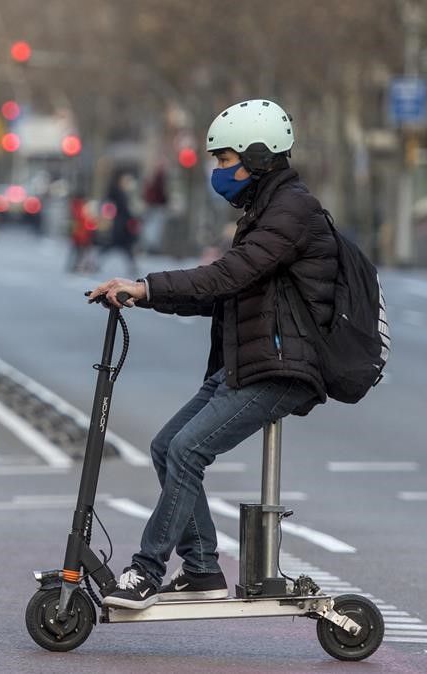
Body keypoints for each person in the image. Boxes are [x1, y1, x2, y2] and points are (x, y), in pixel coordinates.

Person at [90, 99, 338, 609]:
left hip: (278, 368)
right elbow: (224, 296)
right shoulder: (265, 209)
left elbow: (227, 276)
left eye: (225, 161)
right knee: (165, 447)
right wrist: (143, 297)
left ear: (259, 157)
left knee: (187, 451)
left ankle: (145, 570)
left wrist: (147, 287)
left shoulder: (292, 211)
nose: (218, 172)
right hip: (246, 361)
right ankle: (202, 568)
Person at [99, 172, 139, 277]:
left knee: (123, 247)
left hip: (123, 225)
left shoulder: (123, 193)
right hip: (120, 225)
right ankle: (96, 261)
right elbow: (118, 208)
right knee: (116, 245)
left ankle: (132, 266)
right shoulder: (117, 193)